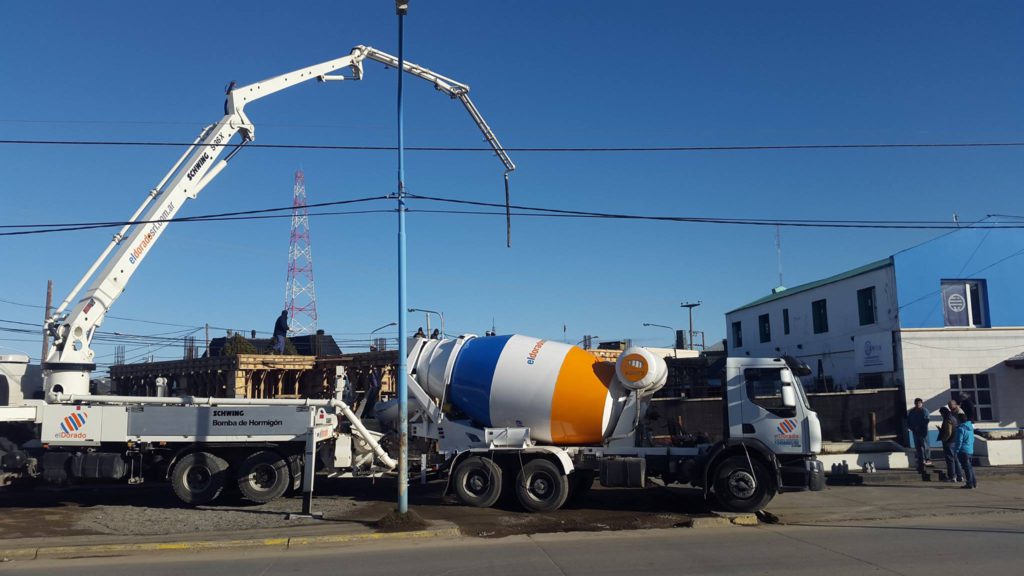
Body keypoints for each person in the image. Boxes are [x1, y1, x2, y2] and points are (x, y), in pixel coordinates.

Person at [937, 406, 964, 483]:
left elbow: (949, 432)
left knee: (950, 460)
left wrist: (944, 439)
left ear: (943, 413)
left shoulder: (947, 419)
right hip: (955, 441)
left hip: (949, 442)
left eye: (941, 414)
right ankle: (960, 476)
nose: (941, 415)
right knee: (955, 459)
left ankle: (952, 476)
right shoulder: (953, 418)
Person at [906, 398, 931, 471]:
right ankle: (921, 459)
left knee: (925, 445)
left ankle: (928, 459)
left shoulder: (924, 411)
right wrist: (910, 427)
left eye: (919, 403)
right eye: (916, 403)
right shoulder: (912, 412)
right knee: (918, 446)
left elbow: (926, 420)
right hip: (915, 432)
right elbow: (909, 420)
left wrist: (919, 427)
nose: (918, 405)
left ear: (922, 403)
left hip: (923, 432)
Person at [954, 411, 977, 489]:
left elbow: (959, 441)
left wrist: (956, 451)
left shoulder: (960, 429)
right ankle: (973, 482)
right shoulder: (970, 427)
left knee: (966, 468)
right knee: (969, 467)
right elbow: (972, 439)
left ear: (959, 420)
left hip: (963, 451)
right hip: (970, 450)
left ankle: (969, 483)